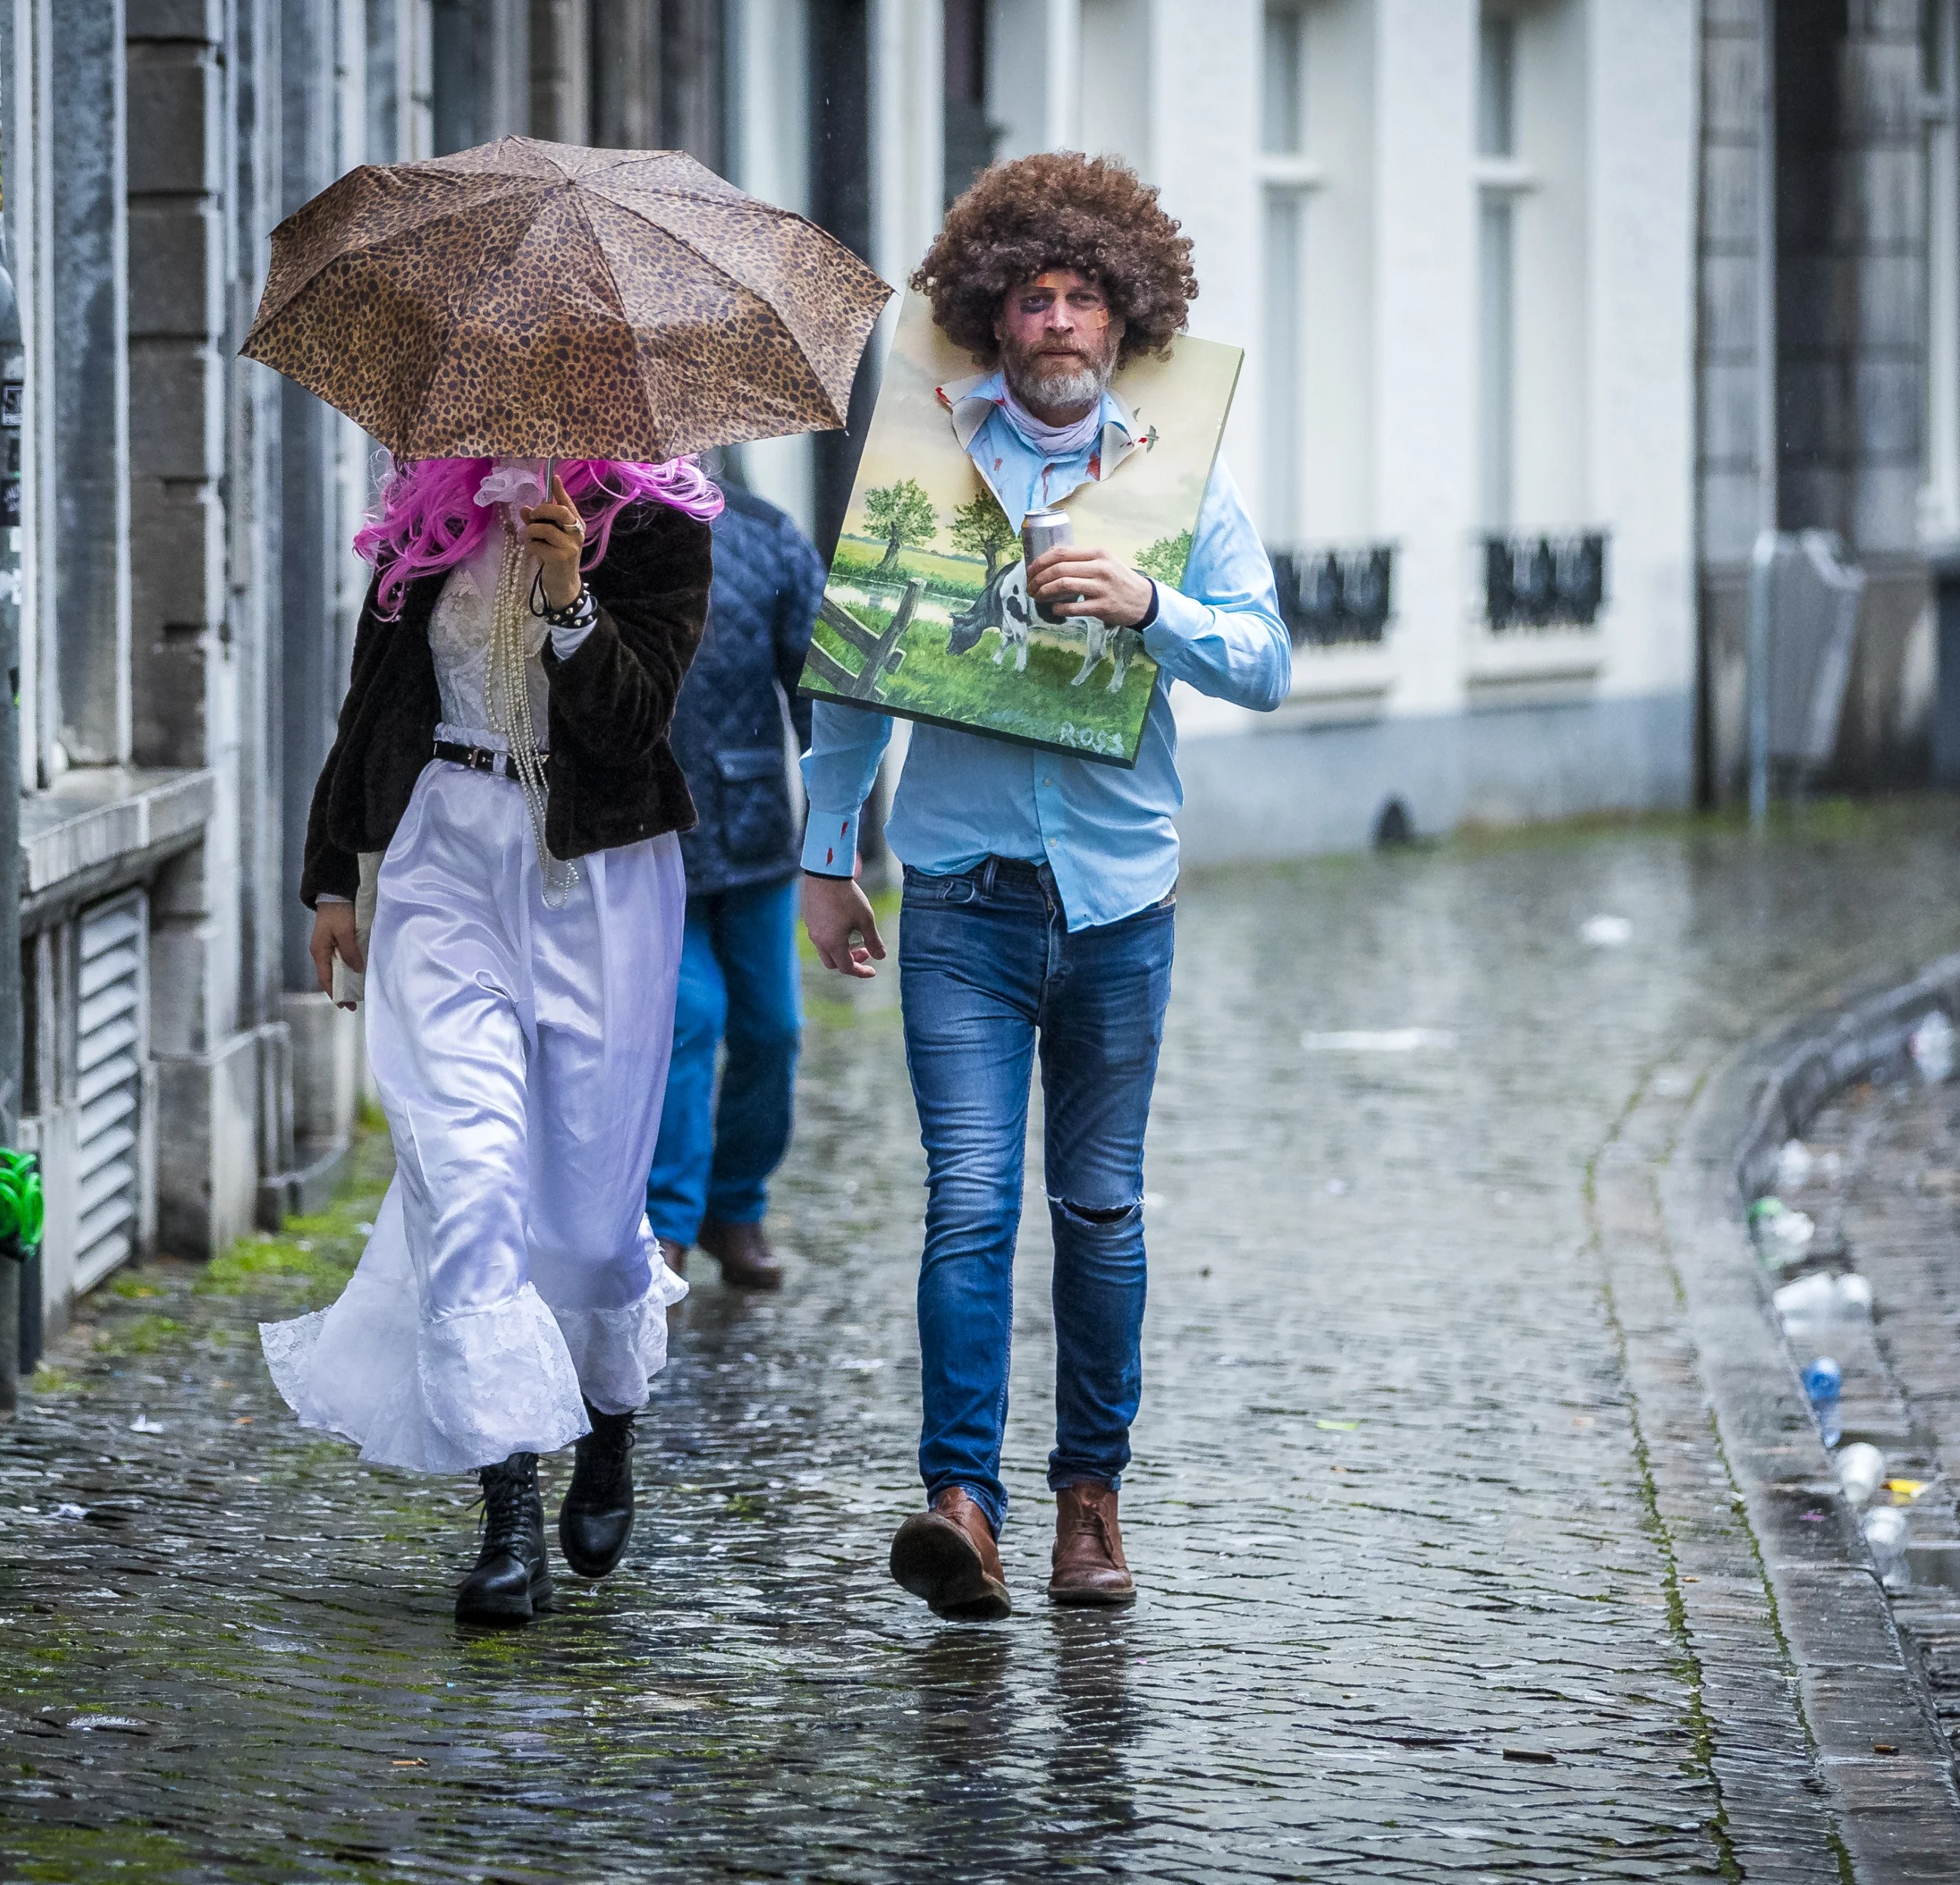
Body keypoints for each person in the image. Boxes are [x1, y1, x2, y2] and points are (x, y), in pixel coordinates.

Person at [797, 154, 1290, 1618]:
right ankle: (961, 1501)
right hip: (959, 895)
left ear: (1124, 316)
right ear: (994, 314)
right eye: (1033, 296)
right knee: (965, 1199)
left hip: (1122, 902)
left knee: (1099, 1209)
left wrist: (1156, 607)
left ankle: (1090, 1504)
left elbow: (1266, 662)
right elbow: (852, 680)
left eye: (1083, 296)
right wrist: (831, 863)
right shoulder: (925, 467)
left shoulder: (1183, 480)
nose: (1059, 319)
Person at [260, 452, 719, 1626]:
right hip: (446, 859)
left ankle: (609, 1414)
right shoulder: (429, 521)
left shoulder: (656, 529)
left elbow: (636, 725)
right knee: (466, 1179)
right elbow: (370, 705)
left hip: (599, 873)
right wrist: (330, 881)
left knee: (583, 1208)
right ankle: (506, 1507)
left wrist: (573, 599)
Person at [645, 480, 826, 1292]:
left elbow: (820, 689)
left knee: (773, 1030)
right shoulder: (601, 525)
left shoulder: (765, 534)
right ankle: (667, 1223)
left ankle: (735, 1205)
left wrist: (836, 830)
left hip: (754, 831)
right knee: (688, 1019)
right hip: (648, 839)